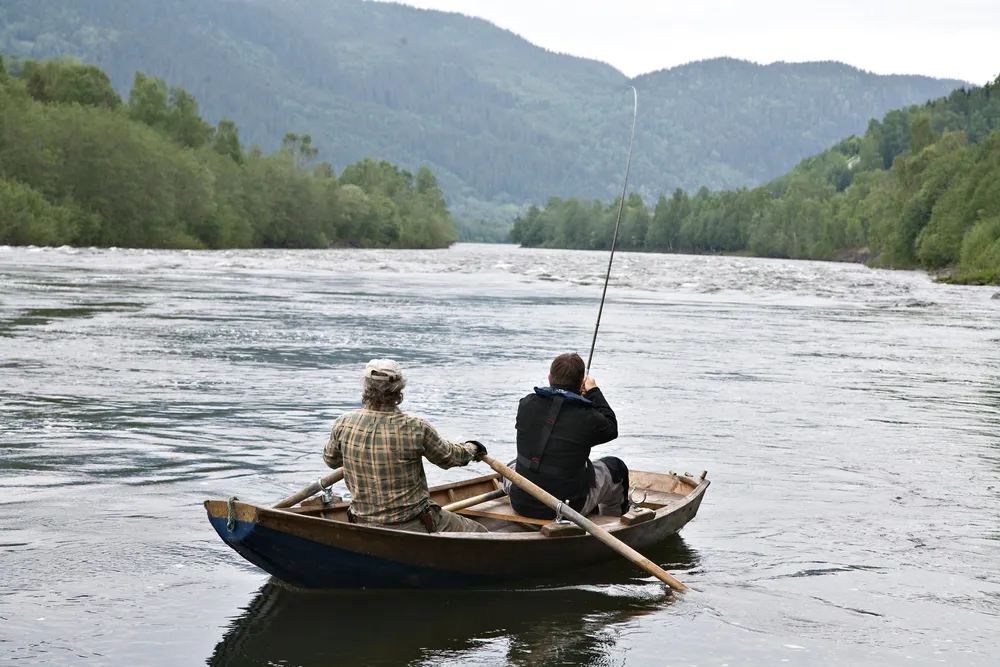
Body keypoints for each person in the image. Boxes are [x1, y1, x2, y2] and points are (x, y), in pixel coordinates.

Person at [323, 358, 489, 533]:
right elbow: (449, 458)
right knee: (481, 533)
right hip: (412, 522)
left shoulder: (343, 423)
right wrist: (473, 448)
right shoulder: (415, 427)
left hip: (361, 520)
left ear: (366, 387)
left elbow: (331, 460)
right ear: (399, 389)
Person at [502, 352, 631, 520]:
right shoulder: (588, 417)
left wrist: (576, 397)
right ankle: (611, 520)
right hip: (568, 508)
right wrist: (593, 392)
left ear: (549, 379)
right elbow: (611, 428)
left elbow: (555, 419)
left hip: (521, 503)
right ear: (581, 384)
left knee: (510, 467)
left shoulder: (526, 403)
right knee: (617, 468)